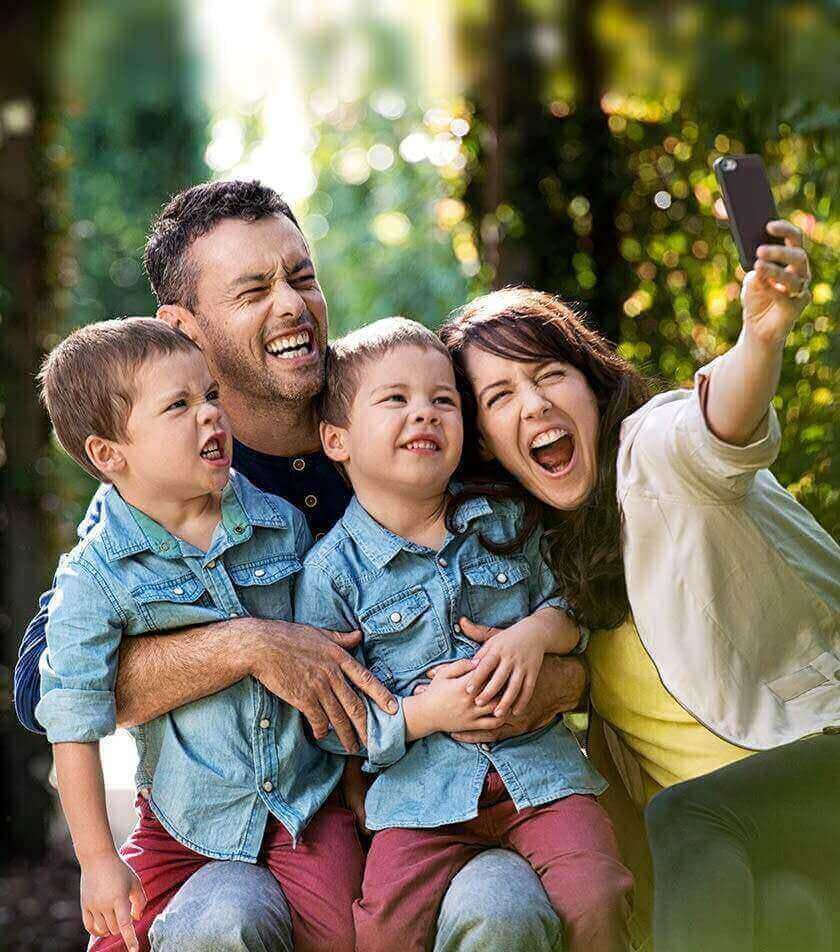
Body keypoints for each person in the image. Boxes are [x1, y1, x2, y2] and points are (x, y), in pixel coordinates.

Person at [16, 180, 582, 950]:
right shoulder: (172, 491)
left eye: (302, 277)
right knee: (224, 918)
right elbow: (43, 681)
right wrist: (248, 644)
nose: (291, 305)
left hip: (457, 806)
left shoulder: (414, 426)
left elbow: (570, 599)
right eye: (253, 289)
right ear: (181, 327)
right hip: (272, 830)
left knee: (507, 904)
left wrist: (549, 674)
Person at [438, 219, 840, 952]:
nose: (533, 405)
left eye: (549, 374)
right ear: (487, 442)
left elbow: (719, 424)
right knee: (789, 917)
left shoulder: (654, 455)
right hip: (764, 845)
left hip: (821, 758)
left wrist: (762, 338)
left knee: (686, 816)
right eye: (499, 397)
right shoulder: (544, 565)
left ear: (592, 386)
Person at [294, 317, 634, 952]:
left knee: (598, 892)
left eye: (443, 400)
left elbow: (570, 605)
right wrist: (423, 714)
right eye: (396, 399)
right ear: (336, 439)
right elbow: (332, 722)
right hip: (420, 802)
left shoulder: (503, 520)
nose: (424, 414)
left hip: (542, 779)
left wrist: (536, 634)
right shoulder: (330, 576)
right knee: (383, 929)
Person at [36, 318, 363, 952]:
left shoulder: (279, 524)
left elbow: (327, 664)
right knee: (127, 939)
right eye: (178, 405)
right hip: (182, 824)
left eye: (211, 395)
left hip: (306, 806)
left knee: (350, 933)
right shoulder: (96, 575)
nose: (210, 416)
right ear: (110, 454)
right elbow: (71, 717)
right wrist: (98, 861)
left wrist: (355, 794)